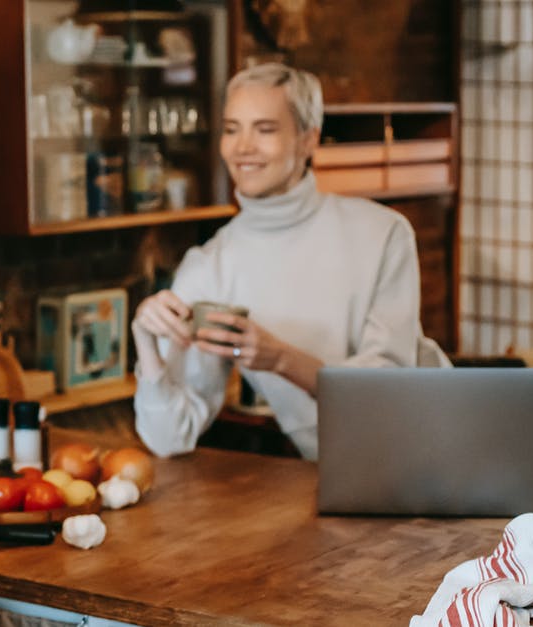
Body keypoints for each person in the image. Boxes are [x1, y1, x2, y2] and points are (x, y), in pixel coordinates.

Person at [131, 63, 448, 461]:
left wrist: (280, 358)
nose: (242, 147)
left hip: (437, 442)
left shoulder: (382, 233)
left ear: (307, 140)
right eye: (231, 129)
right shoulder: (210, 265)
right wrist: (145, 340)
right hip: (344, 469)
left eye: (264, 129)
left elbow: (386, 392)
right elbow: (169, 437)